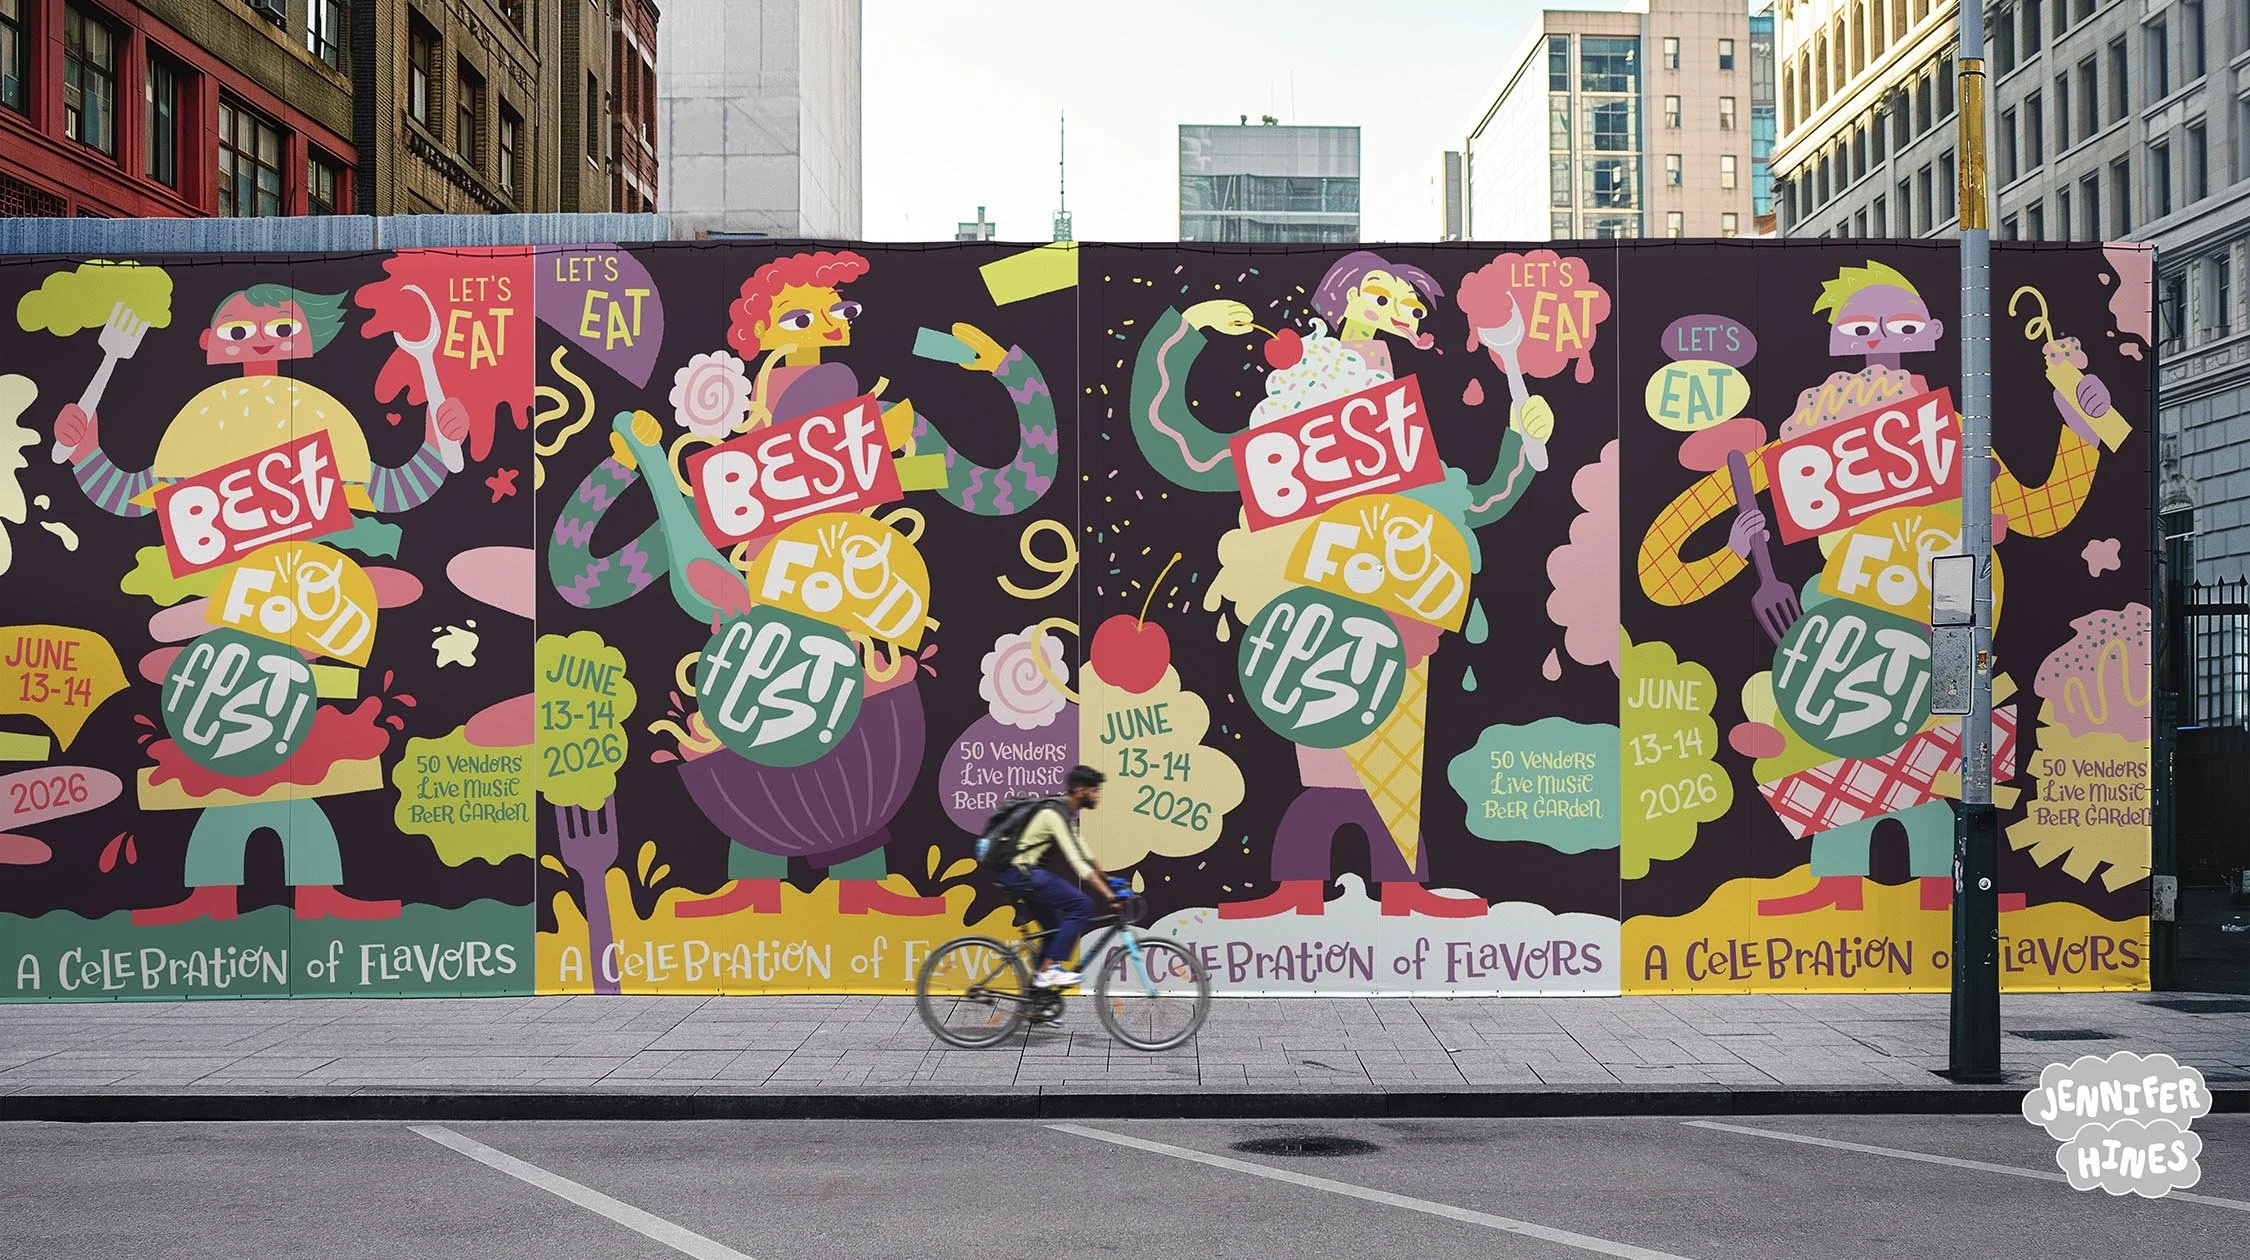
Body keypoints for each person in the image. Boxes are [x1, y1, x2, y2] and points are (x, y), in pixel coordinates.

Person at [1001, 766, 1118, 991]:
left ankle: (1037, 1002)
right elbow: (1076, 861)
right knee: (1083, 905)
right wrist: (1107, 894)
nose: (1098, 796)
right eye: (1094, 790)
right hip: (1022, 872)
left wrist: (1108, 879)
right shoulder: (1053, 814)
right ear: (1080, 790)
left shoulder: (1066, 814)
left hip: (1024, 874)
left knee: (1053, 927)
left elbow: (1084, 851)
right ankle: (1048, 970)